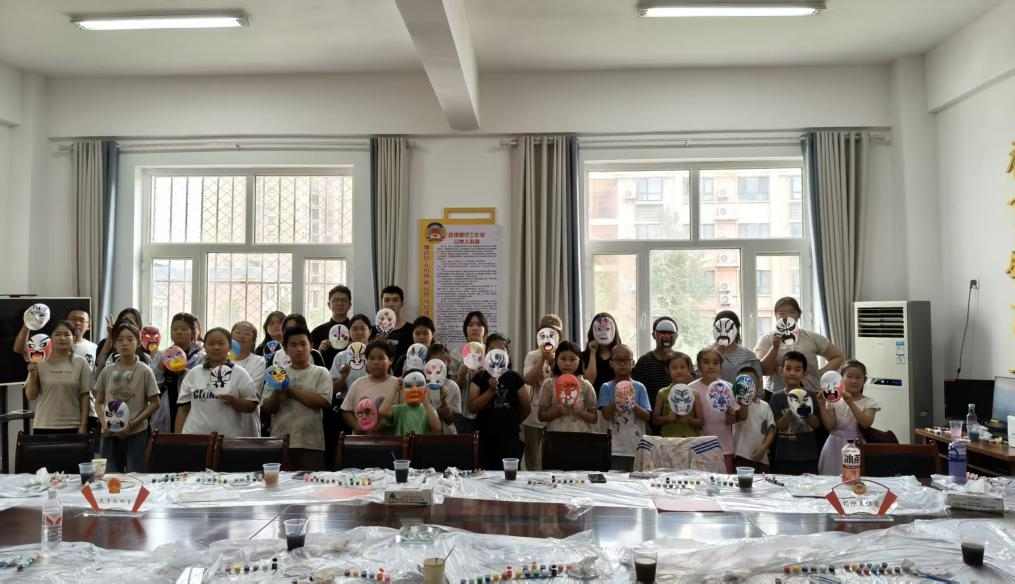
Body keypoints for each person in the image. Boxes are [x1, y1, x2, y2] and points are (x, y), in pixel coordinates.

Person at [260, 326, 332, 470]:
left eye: (303, 344)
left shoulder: (321, 372)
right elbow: (267, 408)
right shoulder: (277, 373)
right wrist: (278, 390)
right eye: (293, 345)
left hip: (311, 443)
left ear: (311, 346)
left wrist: (290, 390)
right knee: (280, 483)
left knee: (310, 483)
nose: (299, 349)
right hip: (280, 442)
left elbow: (323, 401)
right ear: (285, 350)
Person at [94, 323, 160, 473]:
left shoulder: (145, 371)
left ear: (138, 342)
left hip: (136, 433)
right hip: (110, 432)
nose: (124, 343)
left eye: (130, 339)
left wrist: (132, 424)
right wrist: (104, 423)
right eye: (120, 339)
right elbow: (98, 402)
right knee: (110, 476)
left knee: (136, 476)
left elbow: (155, 403)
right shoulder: (107, 370)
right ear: (114, 344)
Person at [175, 328, 257, 437]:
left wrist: (234, 401)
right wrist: (178, 439)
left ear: (230, 347)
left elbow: (252, 406)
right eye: (210, 344)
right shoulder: (194, 373)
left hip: (227, 438)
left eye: (221, 343)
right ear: (205, 347)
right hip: (194, 437)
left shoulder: (240, 373)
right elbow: (182, 409)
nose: (216, 347)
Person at [755, 297, 844, 394]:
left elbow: (838, 357)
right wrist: (774, 348)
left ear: (799, 315)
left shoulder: (811, 336)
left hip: (810, 392)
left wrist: (819, 374)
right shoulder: (767, 339)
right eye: (781, 313)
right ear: (776, 316)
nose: (787, 316)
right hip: (776, 395)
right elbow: (764, 371)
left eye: (792, 312)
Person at [469, 333, 530, 470]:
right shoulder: (479, 378)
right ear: (486, 353)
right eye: (492, 349)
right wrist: (491, 390)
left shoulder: (515, 377)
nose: (496, 353)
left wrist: (514, 421)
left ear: (508, 354)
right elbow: (472, 407)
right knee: (483, 475)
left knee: (510, 476)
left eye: (501, 349)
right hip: (484, 438)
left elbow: (527, 408)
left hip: (509, 438)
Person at [24, 320, 91, 435]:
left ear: (74, 338)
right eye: (58, 334)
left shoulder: (80, 362)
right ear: (50, 338)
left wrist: (83, 425)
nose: (62, 338)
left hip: (73, 424)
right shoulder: (39, 361)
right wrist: (33, 373)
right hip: (43, 425)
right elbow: (31, 396)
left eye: (67, 334)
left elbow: (85, 396)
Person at [817, 360, 880, 475]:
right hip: (833, 445)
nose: (854, 381)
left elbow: (866, 423)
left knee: (854, 479)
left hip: (857, 446)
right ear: (841, 379)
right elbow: (829, 425)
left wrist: (850, 402)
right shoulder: (833, 400)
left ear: (864, 380)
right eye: (849, 376)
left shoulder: (870, 402)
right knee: (831, 479)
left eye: (858, 377)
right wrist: (821, 404)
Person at [597, 344, 651, 472]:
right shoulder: (606, 387)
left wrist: (632, 404)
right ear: (611, 363)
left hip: (636, 444)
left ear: (633, 363)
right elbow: (605, 415)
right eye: (617, 360)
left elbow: (647, 416)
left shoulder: (639, 387)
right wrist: (618, 400)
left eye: (626, 360)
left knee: (637, 479)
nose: (622, 363)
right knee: (617, 479)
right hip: (615, 447)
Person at [521, 314, 563, 469]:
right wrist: (542, 359)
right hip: (532, 417)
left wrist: (553, 361)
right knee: (532, 461)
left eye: (553, 333)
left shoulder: (564, 357)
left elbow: (564, 382)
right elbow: (529, 380)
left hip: (556, 416)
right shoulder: (532, 355)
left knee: (554, 461)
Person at [768, 351, 821, 474]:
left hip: (808, 455)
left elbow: (816, 424)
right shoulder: (776, 397)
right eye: (788, 368)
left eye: (797, 370)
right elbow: (779, 426)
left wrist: (804, 411)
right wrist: (791, 410)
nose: (792, 373)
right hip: (784, 455)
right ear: (781, 371)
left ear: (804, 373)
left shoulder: (811, 396)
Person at [690, 347, 741, 472]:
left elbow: (731, 421)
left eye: (715, 362)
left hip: (724, 447)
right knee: (700, 480)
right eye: (706, 362)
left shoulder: (729, 387)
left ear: (721, 366)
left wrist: (729, 412)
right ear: (699, 365)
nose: (711, 366)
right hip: (699, 446)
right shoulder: (691, 388)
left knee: (724, 481)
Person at [152, 312, 205, 432]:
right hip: (166, 406)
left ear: (193, 332)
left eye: (184, 329)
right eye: (175, 329)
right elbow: (151, 385)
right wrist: (161, 366)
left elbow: (201, 381)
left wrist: (184, 372)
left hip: (190, 407)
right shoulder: (161, 354)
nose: (178, 332)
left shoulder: (200, 356)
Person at [341, 340, 401, 434]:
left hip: (389, 440)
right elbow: (346, 410)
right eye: (371, 358)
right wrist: (356, 426)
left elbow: (404, 412)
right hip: (361, 440)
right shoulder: (358, 383)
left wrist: (386, 423)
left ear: (391, 360)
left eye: (381, 358)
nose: (375, 362)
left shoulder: (398, 384)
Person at [538, 341, 598, 433]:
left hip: (580, 434)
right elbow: (541, 416)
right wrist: (557, 412)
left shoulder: (585, 385)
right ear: (556, 360)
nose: (567, 363)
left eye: (572, 359)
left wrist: (580, 412)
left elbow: (594, 418)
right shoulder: (549, 384)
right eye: (563, 359)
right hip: (555, 434)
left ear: (579, 361)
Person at [732, 367, 776, 472]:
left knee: (762, 481)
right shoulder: (735, 404)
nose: (747, 387)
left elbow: (772, 430)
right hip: (740, 455)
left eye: (750, 383)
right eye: (742, 384)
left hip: (761, 457)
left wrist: (763, 448)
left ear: (759, 384)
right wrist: (742, 400)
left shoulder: (765, 406)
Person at [633, 317, 679, 413]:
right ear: (654, 335)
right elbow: (637, 393)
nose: (667, 336)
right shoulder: (644, 361)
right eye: (662, 332)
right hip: (650, 417)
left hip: (678, 417)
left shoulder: (683, 361)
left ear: (676, 336)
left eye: (670, 333)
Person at [453, 311, 489, 433]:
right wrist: (461, 373)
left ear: (485, 329)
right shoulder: (457, 353)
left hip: (487, 412)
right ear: (465, 329)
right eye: (470, 325)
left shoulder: (491, 353)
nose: (474, 328)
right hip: (462, 412)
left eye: (479, 324)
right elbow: (452, 388)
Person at [652, 352, 704, 437]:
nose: (679, 371)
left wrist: (688, 420)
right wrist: (667, 418)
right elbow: (655, 420)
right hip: (668, 440)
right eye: (674, 368)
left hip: (690, 440)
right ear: (667, 370)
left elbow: (701, 422)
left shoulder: (694, 394)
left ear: (688, 369)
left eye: (682, 367)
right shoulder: (662, 393)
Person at [231, 320, 266, 437]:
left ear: (253, 341)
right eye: (238, 332)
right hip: (224, 419)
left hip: (247, 419)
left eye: (247, 334)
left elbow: (252, 393)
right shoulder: (222, 360)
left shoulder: (258, 361)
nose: (241, 336)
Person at [379, 371, 442, 436]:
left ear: (426, 389)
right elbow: (382, 411)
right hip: (404, 442)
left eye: (419, 385)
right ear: (402, 389)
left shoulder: (429, 410)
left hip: (422, 442)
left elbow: (437, 428)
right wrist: (394, 389)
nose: (414, 390)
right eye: (408, 386)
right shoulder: (398, 409)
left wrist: (426, 403)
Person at [712, 311, 762, 383]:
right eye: (720, 328)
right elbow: (700, 379)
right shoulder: (706, 354)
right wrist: (715, 355)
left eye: (728, 329)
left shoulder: (749, 355)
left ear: (737, 329)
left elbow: (758, 384)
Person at [311, 285, 353, 370]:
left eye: (344, 300)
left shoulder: (357, 330)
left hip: (353, 374)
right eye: (335, 300)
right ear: (329, 305)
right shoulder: (317, 332)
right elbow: (309, 361)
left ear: (350, 305)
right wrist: (319, 351)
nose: (340, 303)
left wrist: (355, 346)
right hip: (324, 374)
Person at [426, 343, 463, 434]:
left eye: (441, 363)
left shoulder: (452, 386)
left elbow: (451, 420)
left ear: (448, 363)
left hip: (447, 435)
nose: (437, 367)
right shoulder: (422, 386)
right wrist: (437, 413)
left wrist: (443, 400)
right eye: (434, 362)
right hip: (426, 434)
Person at [581, 312, 622, 394]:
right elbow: (588, 383)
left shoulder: (621, 355)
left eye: (607, 329)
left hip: (615, 400)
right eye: (599, 329)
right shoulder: (583, 356)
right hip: (592, 400)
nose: (604, 333)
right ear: (593, 331)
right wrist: (592, 353)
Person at [374, 285, 414, 360]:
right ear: (382, 303)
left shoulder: (412, 330)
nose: (391, 304)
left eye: (395, 300)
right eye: (387, 300)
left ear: (402, 304)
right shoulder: (373, 330)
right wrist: (378, 343)